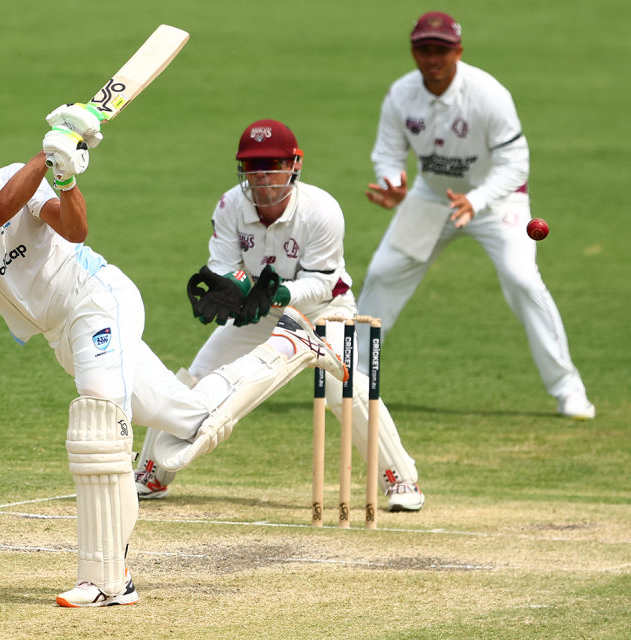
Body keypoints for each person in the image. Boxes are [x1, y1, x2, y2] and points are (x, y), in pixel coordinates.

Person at [0, 106, 347, 608]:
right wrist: (52, 153)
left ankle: (109, 577)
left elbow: (75, 231)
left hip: (97, 298)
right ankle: (291, 346)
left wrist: (65, 179)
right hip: (60, 334)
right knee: (187, 418)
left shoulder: (17, 179)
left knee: (98, 420)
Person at [134, 119, 425, 513]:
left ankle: (400, 477)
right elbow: (223, 265)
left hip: (325, 311)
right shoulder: (230, 205)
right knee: (200, 376)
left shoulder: (321, 211)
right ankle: (151, 470)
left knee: (343, 387)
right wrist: (227, 290)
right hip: (258, 311)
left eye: (272, 165)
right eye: (253, 167)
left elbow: (323, 283)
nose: (263, 176)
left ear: (294, 164)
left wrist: (281, 294)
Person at [358, 12, 595, 419]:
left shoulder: (488, 94)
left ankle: (568, 389)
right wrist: (392, 181)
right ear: (414, 52)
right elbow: (388, 152)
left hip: (497, 202)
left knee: (522, 280)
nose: (433, 58)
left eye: (442, 50)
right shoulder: (401, 94)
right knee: (382, 274)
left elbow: (516, 163)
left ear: (458, 52)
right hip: (431, 197)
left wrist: (478, 200)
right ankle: (351, 379)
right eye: (424, 50)